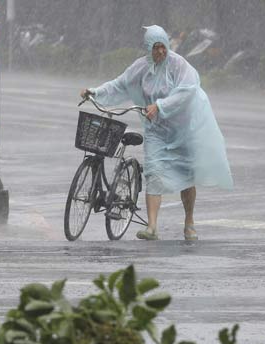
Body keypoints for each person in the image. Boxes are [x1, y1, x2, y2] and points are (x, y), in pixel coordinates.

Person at [81, 25, 233, 241]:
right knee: (153, 172)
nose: (160, 52)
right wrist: (95, 91)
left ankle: (189, 221)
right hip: (156, 129)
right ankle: (152, 227)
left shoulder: (179, 65)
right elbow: (120, 84)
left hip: (183, 129)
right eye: (155, 48)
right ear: (148, 48)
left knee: (186, 176)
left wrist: (160, 105)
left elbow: (187, 91)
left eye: (163, 47)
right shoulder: (141, 67)